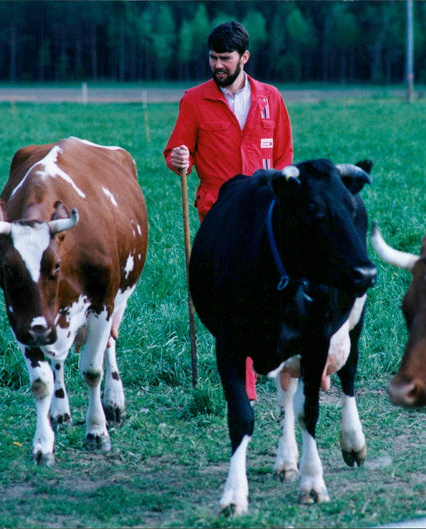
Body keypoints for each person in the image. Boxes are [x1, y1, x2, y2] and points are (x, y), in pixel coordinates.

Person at [164, 20, 294, 401]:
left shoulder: (272, 98)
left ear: (244, 58)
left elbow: (285, 155)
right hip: (219, 214)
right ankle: (245, 385)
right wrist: (179, 158)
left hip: (266, 213)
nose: (217, 65)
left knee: (276, 290)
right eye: (212, 57)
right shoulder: (194, 100)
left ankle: (289, 362)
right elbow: (176, 153)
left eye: (225, 58)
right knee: (236, 301)